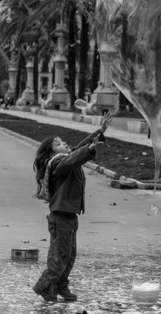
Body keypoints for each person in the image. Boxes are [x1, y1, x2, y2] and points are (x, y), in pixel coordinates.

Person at [32, 114, 112, 303]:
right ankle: (44, 286)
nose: (65, 143)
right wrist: (91, 148)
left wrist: (100, 132)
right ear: (51, 153)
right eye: (58, 143)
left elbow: (77, 151)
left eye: (63, 140)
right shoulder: (58, 163)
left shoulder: (65, 158)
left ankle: (60, 285)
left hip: (68, 217)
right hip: (60, 218)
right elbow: (75, 157)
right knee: (59, 257)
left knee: (69, 256)